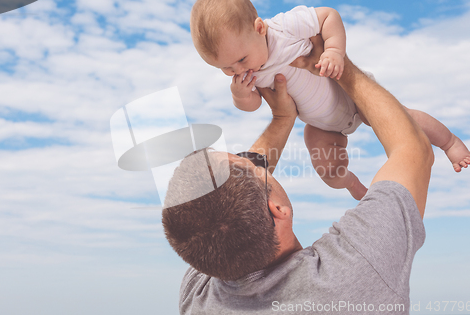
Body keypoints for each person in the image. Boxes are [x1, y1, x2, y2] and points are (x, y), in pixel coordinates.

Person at [162, 35, 434, 314]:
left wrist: (283, 118)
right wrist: (341, 68)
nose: (257, 160)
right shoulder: (354, 268)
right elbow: (413, 149)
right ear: (278, 211)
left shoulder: (199, 292)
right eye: (255, 167)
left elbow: (221, 205)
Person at [189, 0, 470, 200]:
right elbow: (252, 105)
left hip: (350, 96)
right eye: (224, 68)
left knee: (403, 121)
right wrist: (240, 95)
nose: (236, 70)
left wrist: (335, 52)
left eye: (239, 60)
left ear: (260, 28)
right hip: (320, 124)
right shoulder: (248, 73)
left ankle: (450, 143)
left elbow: (328, 17)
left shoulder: (285, 28)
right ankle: (352, 185)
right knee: (325, 168)